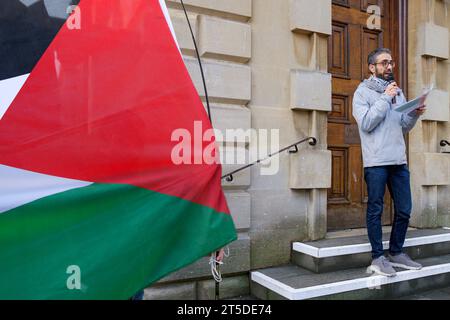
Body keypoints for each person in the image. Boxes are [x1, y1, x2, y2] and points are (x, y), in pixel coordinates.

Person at [352, 48, 427, 277]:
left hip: (398, 160)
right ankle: (378, 257)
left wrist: (414, 113)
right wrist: (385, 97)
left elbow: (402, 125)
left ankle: (396, 252)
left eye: (391, 62)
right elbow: (366, 123)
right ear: (372, 68)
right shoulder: (362, 92)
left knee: (404, 209)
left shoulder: (397, 92)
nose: (390, 66)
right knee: (376, 209)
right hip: (376, 161)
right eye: (384, 63)